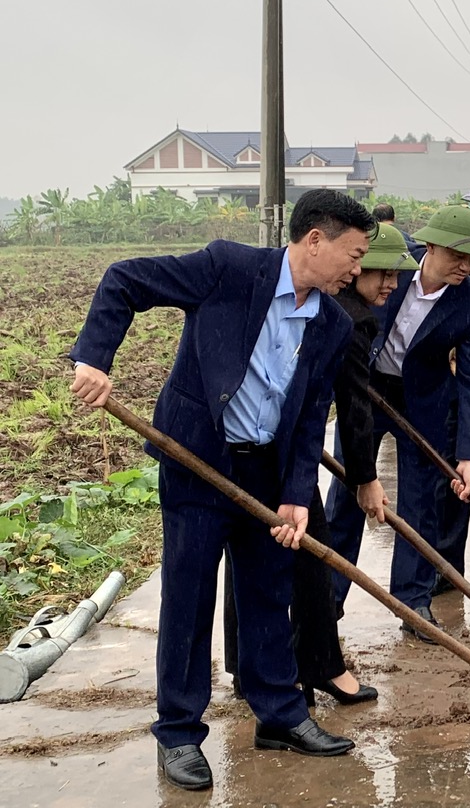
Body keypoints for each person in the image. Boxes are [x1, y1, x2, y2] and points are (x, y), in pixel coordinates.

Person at [68, 189, 374, 791]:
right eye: (355, 254)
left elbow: (312, 414)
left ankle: (280, 714)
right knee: (190, 597)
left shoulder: (333, 322)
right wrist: (94, 358)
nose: (359, 270)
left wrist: (295, 492)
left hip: (267, 470)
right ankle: (179, 733)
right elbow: (125, 280)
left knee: (267, 590)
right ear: (316, 240)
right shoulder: (228, 269)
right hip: (199, 459)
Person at [223, 223, 417, 708]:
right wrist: (365, 479)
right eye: (379, 274)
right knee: (310, 556)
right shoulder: (346, 320)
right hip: (276, 443)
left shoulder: (332, 307)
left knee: (257, 555)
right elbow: (354, 410)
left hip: (275, 436)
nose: (389, 285)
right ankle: (317, 665)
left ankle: (257, 670)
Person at [324, 206, 470, 632]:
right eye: (459, 256)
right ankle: (328, 597)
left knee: (422, 502)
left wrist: (468, 454)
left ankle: (413, 603)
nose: (466, 267)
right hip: (366, 387)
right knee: (349, 488)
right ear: (432, 246)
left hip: (422, 400)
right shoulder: (390, 266)